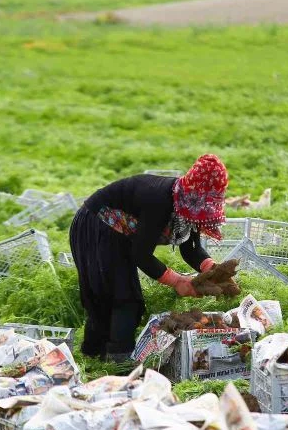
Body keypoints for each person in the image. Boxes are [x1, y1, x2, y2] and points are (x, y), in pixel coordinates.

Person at [70, 154, 228, 361]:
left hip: (121, 233)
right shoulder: (161, 200)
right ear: (195, 195)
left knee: (118, 296)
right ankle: (117, 363)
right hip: (98, 225)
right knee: (121, 297)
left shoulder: (190, 205)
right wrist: (178, 281)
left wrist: (213, 270)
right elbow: (141, 255)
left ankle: (95, 357)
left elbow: (191, 249)